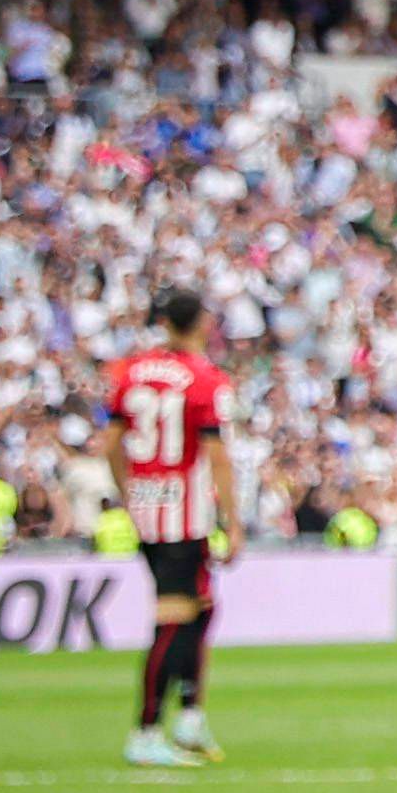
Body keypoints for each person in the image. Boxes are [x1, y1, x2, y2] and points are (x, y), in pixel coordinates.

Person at [108, 286, 236, 768]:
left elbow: (110, 443)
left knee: (202, 606)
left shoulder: (132, 372)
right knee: (174, 616)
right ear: (202, 323)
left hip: (147, 507)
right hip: (185, 513)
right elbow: (218, 457)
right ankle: (145, 730)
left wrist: (129, 492)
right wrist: (233, 521)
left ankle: (188, 719)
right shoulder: (204, 379)